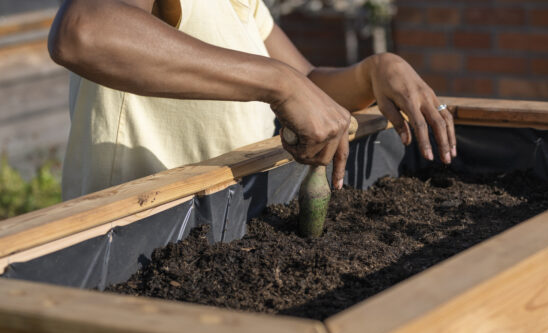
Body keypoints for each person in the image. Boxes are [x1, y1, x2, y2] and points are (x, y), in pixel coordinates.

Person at [48, 0, 456, 199]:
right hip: (135, 231)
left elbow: (307, 82)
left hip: (225, 221)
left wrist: (374, 72)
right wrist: (280, 84)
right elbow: (85, 33)